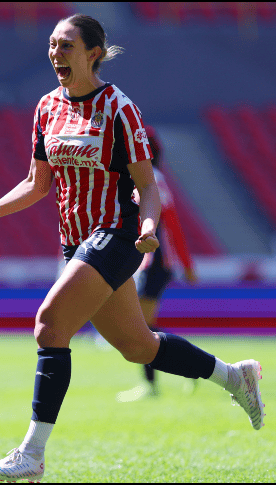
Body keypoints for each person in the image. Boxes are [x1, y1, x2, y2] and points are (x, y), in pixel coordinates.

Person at [0, 14, 264, 482]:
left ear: (93, 53)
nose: (56, 53)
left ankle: (32, 453)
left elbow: (149, 185)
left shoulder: (119, 108)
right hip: (75, 243)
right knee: (138, 347)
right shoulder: (46, 108)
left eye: (67, 45)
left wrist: (149, 227)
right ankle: (233, 376)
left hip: (116, 236)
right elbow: (38, 184)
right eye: (53, 45)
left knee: (49, 325)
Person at [116, 125, 200, 403]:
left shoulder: (151, 180)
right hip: (153, 261)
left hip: (156, 261)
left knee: (140, 327)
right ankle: (189, 367)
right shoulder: (152, 178)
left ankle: (187, 367)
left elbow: (171, 225)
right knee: (143, 326)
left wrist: (186, 264)